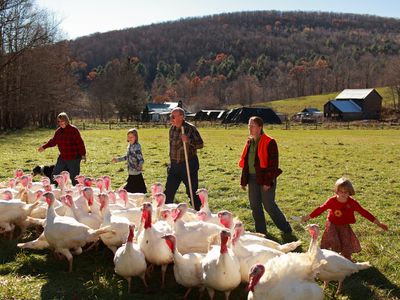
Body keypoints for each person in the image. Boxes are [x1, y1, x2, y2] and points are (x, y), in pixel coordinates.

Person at [302, 177, 388, 260]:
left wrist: (378, 223)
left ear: (350, 192)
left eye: (346, 192)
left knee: (346, 243)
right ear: (337, 191)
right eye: (340, 191)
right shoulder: (332, 201)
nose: (343, 193)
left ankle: (347, 260)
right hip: (332, 224)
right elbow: (321, 209)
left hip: (344, 225)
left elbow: (364, 212)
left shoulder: (352, 203)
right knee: (333, 240)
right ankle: (331, 258)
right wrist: (308, 217)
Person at [239, 116, 292, 236]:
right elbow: (247, 163)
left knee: (269, 205)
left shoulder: (270, 142)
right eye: (249, 125)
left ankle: (286, 228)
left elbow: (273, 165)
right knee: (255, 206)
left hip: (266, 177)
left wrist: (268, 182)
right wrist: (244, 180)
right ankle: (261, 232)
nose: (250, 128)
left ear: (260, 127)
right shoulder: (249, 142)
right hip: (252, 178)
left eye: (252, 126)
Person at [164, 107, 203, 210]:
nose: (171, 118)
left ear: (181, 117)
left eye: (173, 116)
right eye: (170, 116)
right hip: (174, 166)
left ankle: (200, 213)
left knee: (192, 192)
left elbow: (200, 144)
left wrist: (188, 140)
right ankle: (166, 214)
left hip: (188, 165)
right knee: (168, 192)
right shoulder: (172, 129)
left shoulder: (190, 129)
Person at [38, 112, 86, 186]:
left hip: (74, 158)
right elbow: (53, 141)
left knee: (74, 177)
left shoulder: (73, 130)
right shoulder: (58, 132)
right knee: (55, 175)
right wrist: (44, 147)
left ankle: (77, 192)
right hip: (63, 158)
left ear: (66, 120)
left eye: (62, 121)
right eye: (59, 121)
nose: (61, 123)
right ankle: (53, 191)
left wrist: (83, 154)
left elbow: (80, 143)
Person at [112, 128, 147, 194]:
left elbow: (141, 159)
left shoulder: (137, 147)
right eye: (128, 137)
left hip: (135, 172)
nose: (130, 138)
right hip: (131, 171)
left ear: (135, 137)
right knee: (133, 188)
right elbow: (127, 156)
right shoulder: (129, 146)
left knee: (132, 189)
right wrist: (117, 159)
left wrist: (140, 166)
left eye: (132, 137)